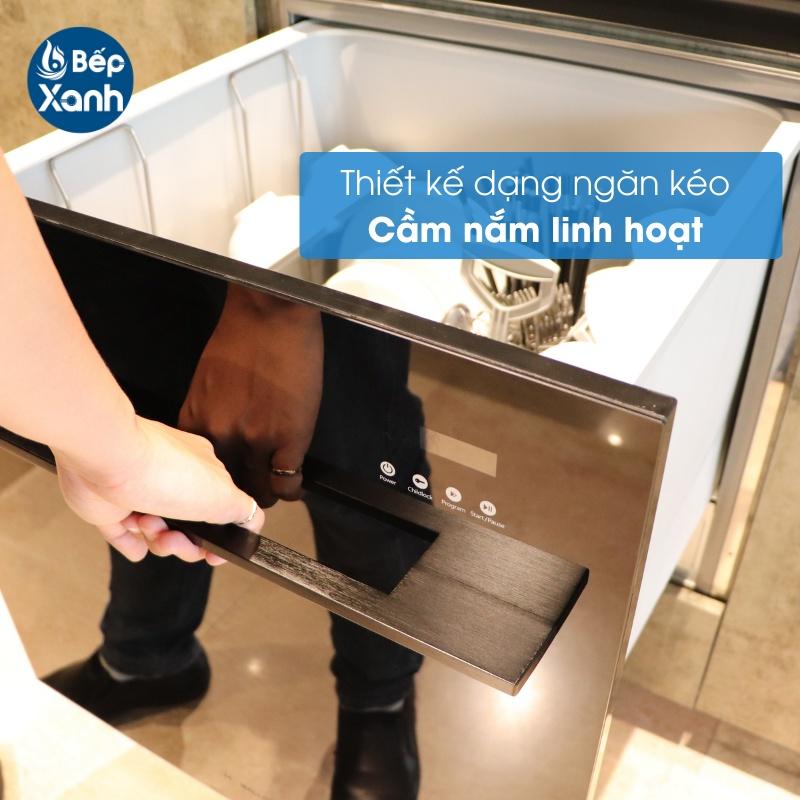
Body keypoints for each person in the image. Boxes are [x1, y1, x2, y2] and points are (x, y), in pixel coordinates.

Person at [2, 148, 422, 799]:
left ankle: (380, 697)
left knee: (360, 472)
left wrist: (275, 299)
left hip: (309, 221)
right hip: (120, 206)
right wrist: (114, 450)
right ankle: (147, 658)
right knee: (151, 432)